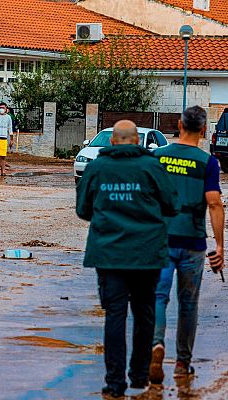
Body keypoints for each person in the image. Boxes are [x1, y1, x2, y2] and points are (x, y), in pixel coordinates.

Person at [76, 120, 179, 399]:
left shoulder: (97, 167)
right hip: (146, 255)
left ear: (112, 142)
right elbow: (171, 205)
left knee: (115, 316)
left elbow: (83, 210)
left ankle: (114, 382)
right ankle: (139, 375)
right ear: (136, 141)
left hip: (109, 256)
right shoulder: (152, 167)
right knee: (145, 313)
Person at [149, 106, 225, 384]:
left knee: (158, 296)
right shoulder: (207, 163)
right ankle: (182, 363)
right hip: (193, 243)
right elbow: (214, 203)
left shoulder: (157, 157)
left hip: (161, 240)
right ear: (204, 130)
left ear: (179, 125)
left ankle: (156, 345)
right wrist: (219, 246)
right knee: (188, 303)